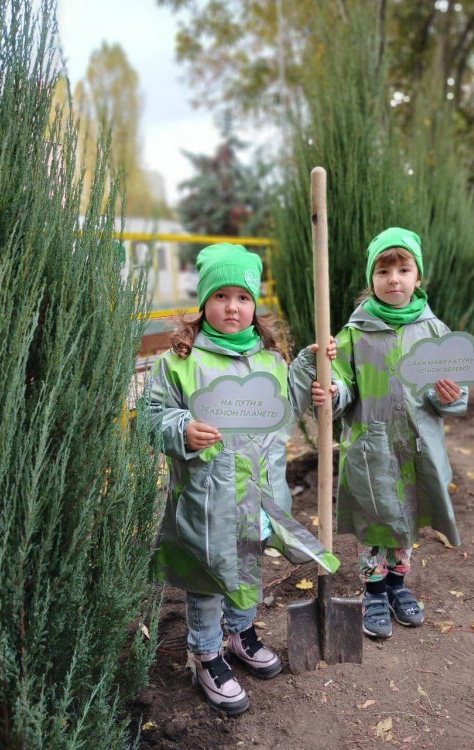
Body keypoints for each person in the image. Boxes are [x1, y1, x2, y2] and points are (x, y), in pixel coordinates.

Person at [147, 242, 338, 716]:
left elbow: (287, 406)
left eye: (243, 297)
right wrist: (180, 429)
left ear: (255, 306)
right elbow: (151, 416)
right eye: (221, 296)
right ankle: (207, 652)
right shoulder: (178, 362)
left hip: (259, 496)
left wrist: (315, 365)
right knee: (207, 577)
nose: (232, 307)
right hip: (206, 501)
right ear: (204, 302)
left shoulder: (270, 361)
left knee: (250, 567)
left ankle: (241, 633)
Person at [313, 227, 468, 639]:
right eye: (384, 271)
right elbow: (344, 384)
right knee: (373, 518)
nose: (394, 279)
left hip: (416, 445)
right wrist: (335, 389)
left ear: (418, 277)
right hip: (371, 445)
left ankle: (398, 586)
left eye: (403, 269)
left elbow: (454, 391)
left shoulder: (434, 332)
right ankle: (374, 591)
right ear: (372, 279)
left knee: (406, 519)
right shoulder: (355, 333)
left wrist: (448, 395)